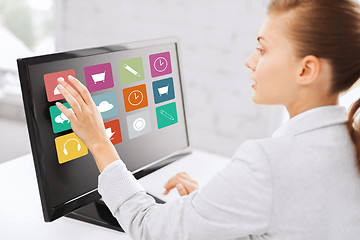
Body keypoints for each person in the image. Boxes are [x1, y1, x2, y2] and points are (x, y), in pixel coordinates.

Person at [55, 0, 360, 239]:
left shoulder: (269, 163)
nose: (250, 61)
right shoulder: (349, 142)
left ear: (305, 70)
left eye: (263, 49)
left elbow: (150, 228)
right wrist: (214, 211)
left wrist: (98, 140)